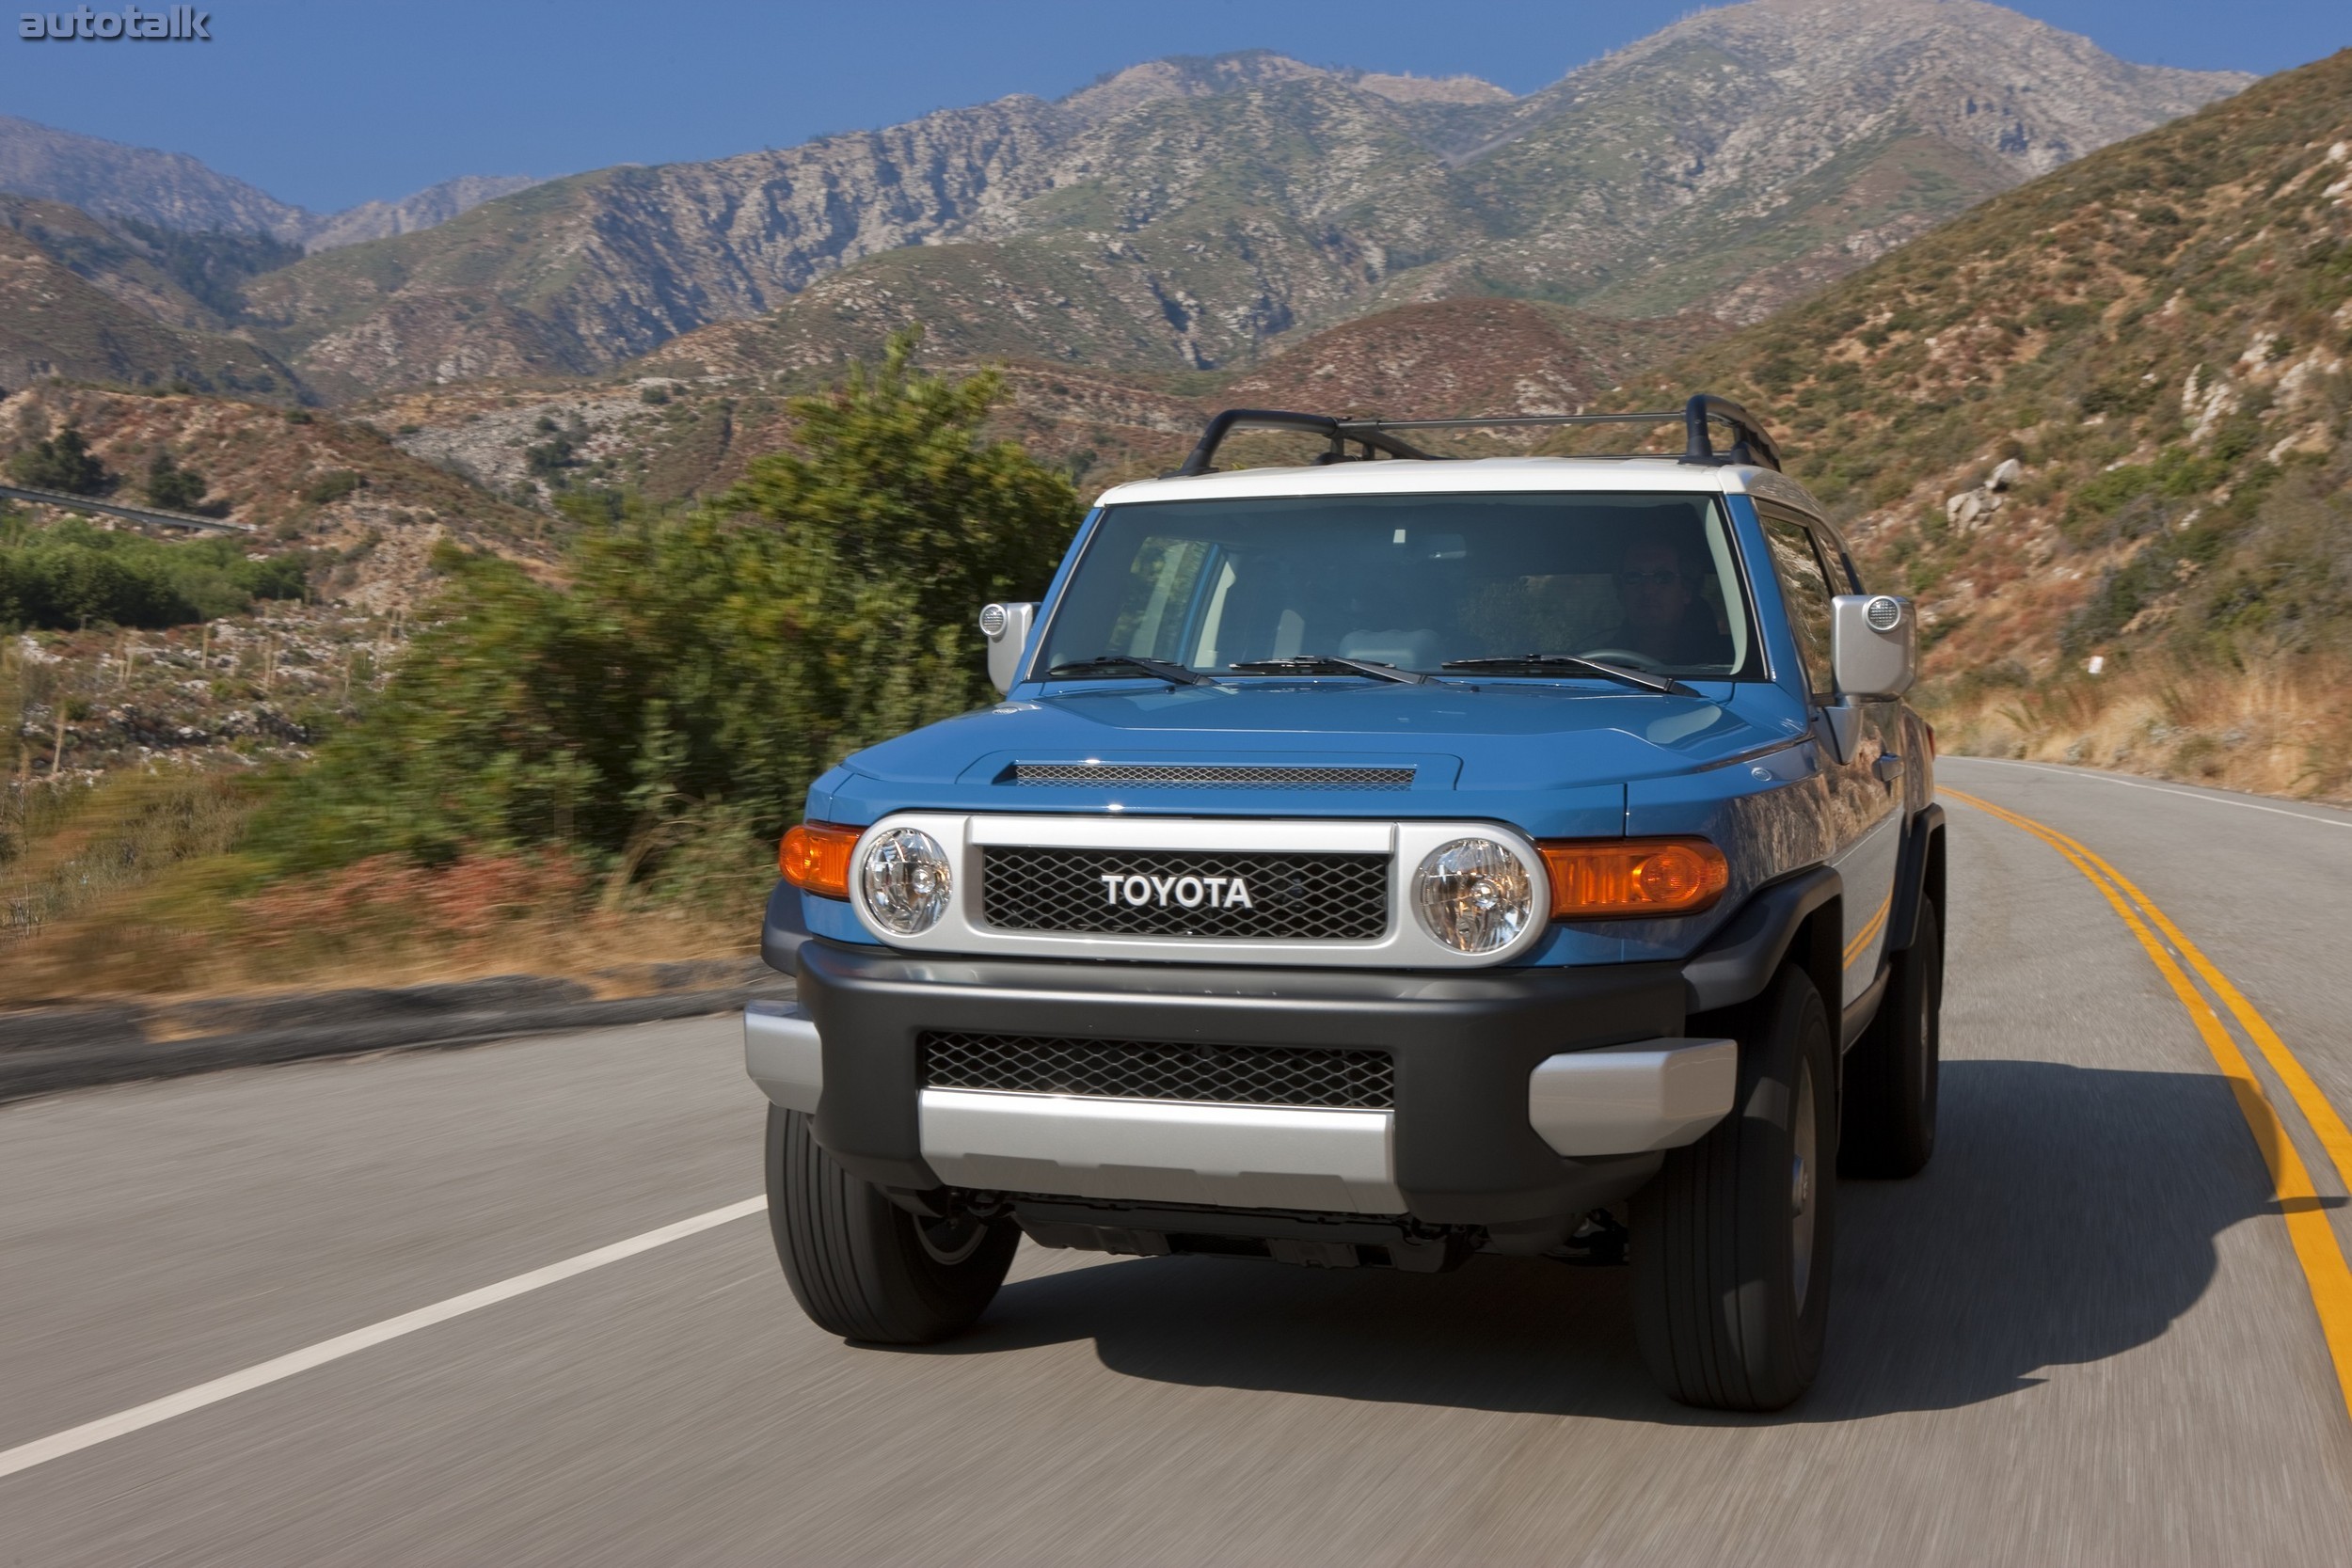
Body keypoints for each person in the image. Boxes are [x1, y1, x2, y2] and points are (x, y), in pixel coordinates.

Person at [1595, 538, 1733, 669]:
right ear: (1620, 593)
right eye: (1633, 577)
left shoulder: (1725, 664)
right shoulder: (1593, 665)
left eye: (1663, 577)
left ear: (1686, 591)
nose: (1647, 590)